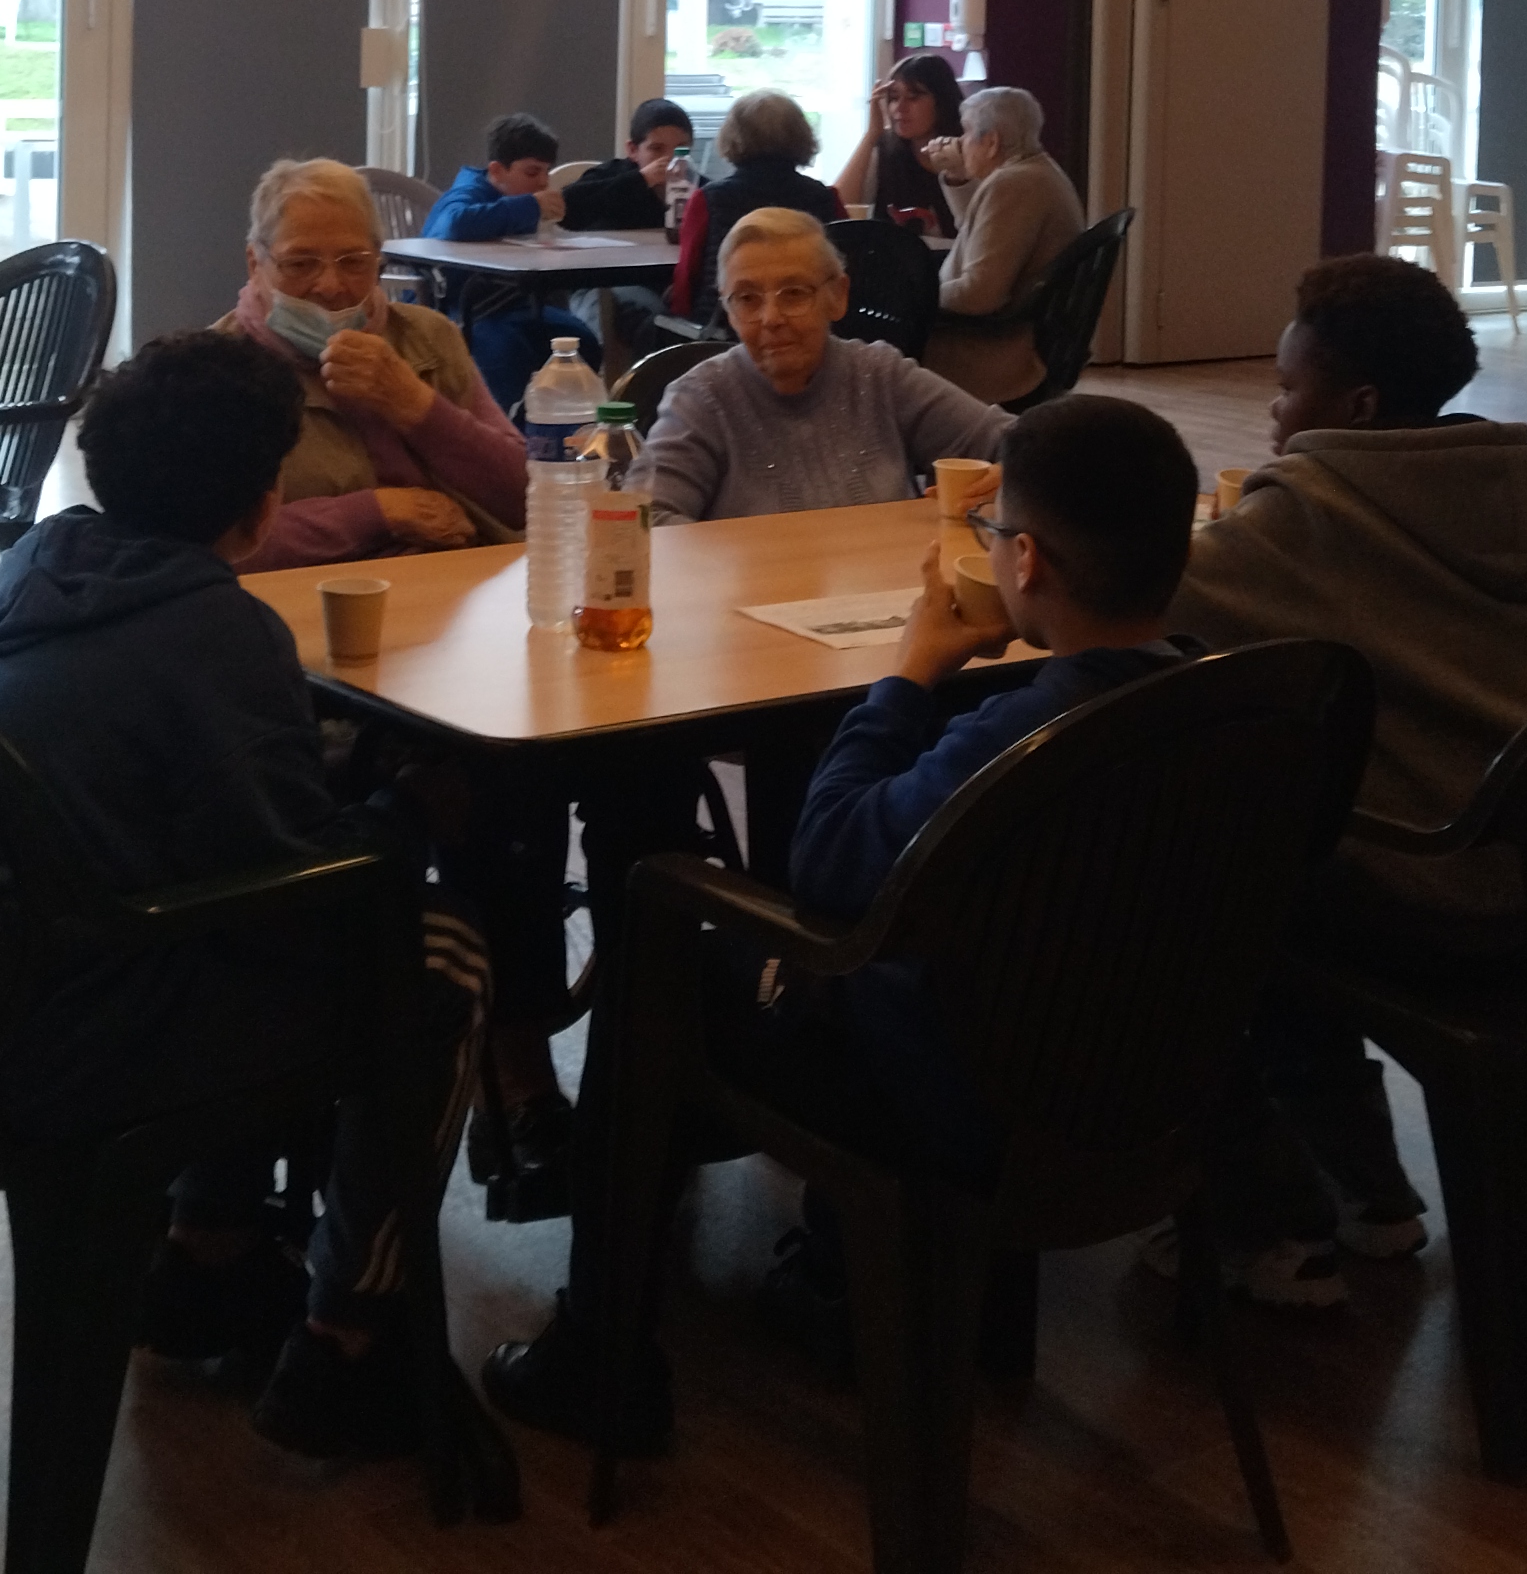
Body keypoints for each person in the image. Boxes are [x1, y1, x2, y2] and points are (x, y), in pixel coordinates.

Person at [485, 394, 1206, 1438]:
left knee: (661, 964)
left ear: (1026, 562)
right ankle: (845, 1278)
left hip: (961, 1096)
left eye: (994, 529)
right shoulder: (1222, 707)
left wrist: (907, 675)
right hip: (1157, 1080)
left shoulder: (1018, 739)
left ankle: (602, 1356)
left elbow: (825, 864)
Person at [0, 329, 490, 1461]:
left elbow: (199, 803)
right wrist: (409, 809)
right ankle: (348, 1334)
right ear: (263, 500)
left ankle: (209, 1252)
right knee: (443, 962)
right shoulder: (215, 629)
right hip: (82, 1038)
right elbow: (308, 895)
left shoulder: (41, 564)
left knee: (235, 916)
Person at [1168, 253, 1527, 1271]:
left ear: (1356, 404)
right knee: (1274, 858)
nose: (1272, 410)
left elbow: (1148, 591)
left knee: (1197, 887)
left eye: (1286, 387)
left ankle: (1264, 1214)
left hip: (1431, 885)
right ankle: (1363, 1188)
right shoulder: (1497, 479)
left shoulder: (1315, 510)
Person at [225, 158, 525, 569]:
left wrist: (416, 406)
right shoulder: (216, 369)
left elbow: (526, 496)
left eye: (353, 261)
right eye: (300, 263)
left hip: (458, 584)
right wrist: (375, 513)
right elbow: (208, 543)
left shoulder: (428, 338)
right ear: (255, 264)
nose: (330, 286)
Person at [639, 208, 1006, 524]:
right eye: (747, 299)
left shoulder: (880, 376)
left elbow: (1020, 446)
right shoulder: (702, 399)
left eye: (794, 294)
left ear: (838, 296)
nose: (771, 318)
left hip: (889, 581)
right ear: (729, 311)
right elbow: (645, 518)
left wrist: (1009, 480)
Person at [921, 85, 1090, 407]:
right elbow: (978, 234)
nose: (960, 142)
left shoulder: (1012, 185)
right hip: (1018, 336)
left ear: (991, 142)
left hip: (992, 350)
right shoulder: (1036, 172)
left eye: (966, 132)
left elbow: (978, 296)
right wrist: (958, 172)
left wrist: (915, 296)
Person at [421, 112, 581, 405]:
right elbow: (454, 223)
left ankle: (555, 422)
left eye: (546, 173)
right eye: (532, 173)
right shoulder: (468, 191)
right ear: (496, 171)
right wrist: (529, 207)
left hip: (508, 305)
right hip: (461, 308)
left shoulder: (514, 197)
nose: (542, 183)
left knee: (581, 340)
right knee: (503, 351)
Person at [666, 88, 842, 320]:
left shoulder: (708, 200)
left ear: (732, 136)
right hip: (808, 323)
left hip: (724, 325)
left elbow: (686, 278)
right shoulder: (826, 198)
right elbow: (843, 263)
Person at [834, 50, 965, 229]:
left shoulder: (968, 151)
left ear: (942, 101)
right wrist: (871, 134)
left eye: (913, 97)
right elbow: (839, 207)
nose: (900, 108)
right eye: (894, 98)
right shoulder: (885, 148)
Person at [556, 99, 697, 232]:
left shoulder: (695, 185)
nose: (671, 159)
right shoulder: (614, 174)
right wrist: (642, 179)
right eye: (656, 149)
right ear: (633, 150)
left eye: (681, 150)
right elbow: (565, 209)